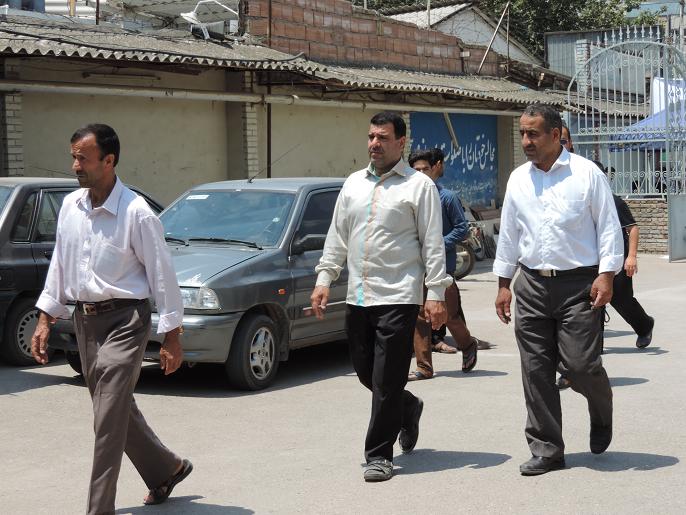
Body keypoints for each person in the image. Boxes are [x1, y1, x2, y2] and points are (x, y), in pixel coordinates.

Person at [30, 124, 192, 514]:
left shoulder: (136, 213)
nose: (75, 166)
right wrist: (46, 317)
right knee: (114, 408)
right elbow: (60, 263)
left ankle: (98, 509)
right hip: (85, 322)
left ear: (109, 160)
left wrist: (172, 336)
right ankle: (166, 468)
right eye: (73, 157)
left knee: (106, 417)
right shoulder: (71, 206)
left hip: (126, 322)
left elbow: (162, 274)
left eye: (83, 158)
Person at [310, 112, 452, 482]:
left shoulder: (419, 187)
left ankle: (379, 455)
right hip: (358, 296)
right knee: (366, 374)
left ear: (401, 142)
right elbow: (338, 236)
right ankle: (408, 407)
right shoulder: (353, 184)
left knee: (387, 378)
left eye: (383, 137)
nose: (374, 143)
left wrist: (436, 292)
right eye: (371, 136)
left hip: (399, 295)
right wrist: (325, 279)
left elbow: (432, 242)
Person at [494, 105, 623, 476]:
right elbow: (509, 233)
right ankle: (547, 449)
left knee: (579, 366)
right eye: (522, 133)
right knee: (535, 370)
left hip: (578, 284)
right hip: (531, 283)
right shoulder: (518, 179)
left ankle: (601, 409)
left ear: (555, 135)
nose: (525, 141)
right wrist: (504, 284)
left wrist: (606, 275)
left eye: (533, 134)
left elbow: (608, 227)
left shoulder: (586, 174)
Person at [406, 148, 481, 380]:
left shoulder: (446, 197)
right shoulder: (407, 197)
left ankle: (468, 344)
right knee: (419, 318)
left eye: (425, 169)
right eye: (416, 170)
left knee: (449, 316)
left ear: (434, 170)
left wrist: (437, 244)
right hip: (415, 268)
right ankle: (424, 367)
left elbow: (461, 229)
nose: (421, 174)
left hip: (442, 268)